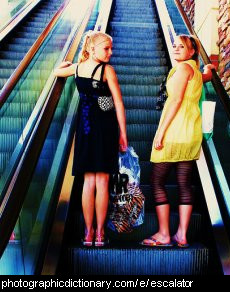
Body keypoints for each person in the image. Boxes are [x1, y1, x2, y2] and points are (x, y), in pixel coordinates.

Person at [54, 30, 127, 247]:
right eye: (106, 48)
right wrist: (123, 133)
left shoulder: (76, 68)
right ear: (92, 48)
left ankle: (88, 232)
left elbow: (57, 72)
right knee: (102, 181)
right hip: (105, 127)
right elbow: (118, 103)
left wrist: (67, 62)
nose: (110, 53)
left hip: (85, 127)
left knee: (89, 182)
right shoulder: (107, 71)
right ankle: (100, 233)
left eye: (111, 48)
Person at [142, 34, 214, 247]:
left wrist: (160, 132)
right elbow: (205, 76)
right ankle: (181, 235)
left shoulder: (182, 69)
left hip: (174, 131)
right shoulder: (195, 72)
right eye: (174, 45)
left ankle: (164, 234)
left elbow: (175, 99)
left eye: (181, 46)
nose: (175, 48)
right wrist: (209, 71)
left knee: (157, 182)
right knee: (184, 184)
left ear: (192, 51)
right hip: (191, 133)